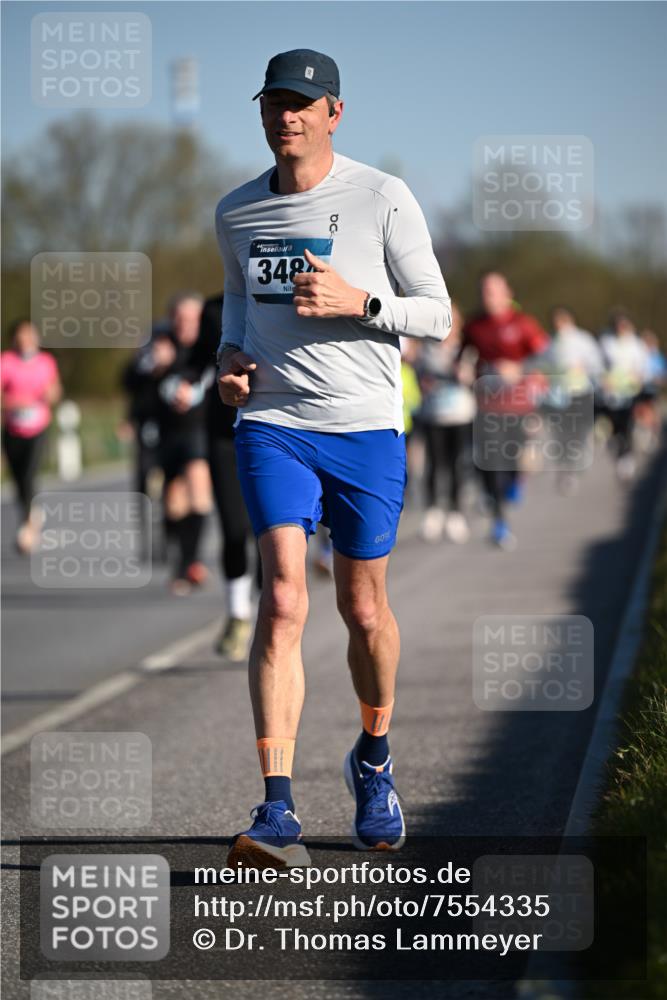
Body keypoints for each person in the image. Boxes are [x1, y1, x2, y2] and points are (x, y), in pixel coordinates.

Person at [215, 49, 451, 866]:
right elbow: (238, 301)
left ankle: (373, 760)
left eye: (301, 104)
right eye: (273, 103)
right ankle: (277, 807)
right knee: (283, 599)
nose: (285, 117)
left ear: (333, 113)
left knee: (363, 609)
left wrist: (362, 302)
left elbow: (438, 316)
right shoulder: (236, 211)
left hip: (364, 428)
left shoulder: (381, 196)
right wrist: (227, 359)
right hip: (273, 423)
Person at [125, 293, 213, 593]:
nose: (185, 324)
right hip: (167, 433)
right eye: (179, 318)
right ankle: (182, 561)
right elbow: (130, 383)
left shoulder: (211, 345)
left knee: (198, 489)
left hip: (199, 429)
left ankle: (192, 562)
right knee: (174, 502)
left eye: (191, 319)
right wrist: (152, 365)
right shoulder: (159, 345)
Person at [462, 272, 549, 549]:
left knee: (512, 459)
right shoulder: (474, 325)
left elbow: (546, 357)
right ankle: (500, 521)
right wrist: (462, 369)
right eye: (484, 291)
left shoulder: (524, 324)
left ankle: (514, 482)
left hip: (519, 405)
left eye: (493, 291)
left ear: (508, 294)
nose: (488, 297)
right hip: (487, 405)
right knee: (491, 461)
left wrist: (520, 369)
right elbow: (462, 356)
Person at [196, 293, 256, 660]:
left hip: (276, 428)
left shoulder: (285, 295)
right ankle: (237, 614)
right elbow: (197, 362)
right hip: (224, 434)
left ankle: (273, 612)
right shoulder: (214, 309)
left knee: (272, 529)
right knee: (234, 528)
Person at [415, 303, 476, 542]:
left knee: (457, 464)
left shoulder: (466, 349)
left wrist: (464, 374)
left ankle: (455, 512)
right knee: (434, 463)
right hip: (434, 414)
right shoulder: (427, 348)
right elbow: (418, 375)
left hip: (460, 414)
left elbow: (474, 378)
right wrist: (425, 382)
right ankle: (432, 510)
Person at [1, 319, 61, 553]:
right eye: (22, 335)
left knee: (29, 475)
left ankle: (28, 529)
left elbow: (55, 392)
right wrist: (15, 402)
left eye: (30, 334)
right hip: (12, 428)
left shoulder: (46, 362)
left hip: (38, 427)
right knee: (17, 480)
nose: (26, 339)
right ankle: (30, 514)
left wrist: (50, 394)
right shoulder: (6, 361)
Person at [543, 307, 603, 494]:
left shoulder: (583, 339)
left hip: (580, 392)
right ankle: (565, 471)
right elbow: (543, 365)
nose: (559, 326)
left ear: (570, 320)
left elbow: (596, 363)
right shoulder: (550, 342)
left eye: (561, 321)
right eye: (556, 322)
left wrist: (583, 367)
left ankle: (574, 467)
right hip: (558, 395)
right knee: (561, 434)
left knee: (577, 433)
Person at [598, 309, 651, 481]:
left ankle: (627, 457)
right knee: (615, 425)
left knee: (627, 424)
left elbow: (644, 366)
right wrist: (604, 379)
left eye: (624, 325)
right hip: (612, 393)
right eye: (618, 325)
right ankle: (619, 449)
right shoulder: (606, 343)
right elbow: (599, 364)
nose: (621, 328)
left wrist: (639, 377)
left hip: (630, 391)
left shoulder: (637, 344)